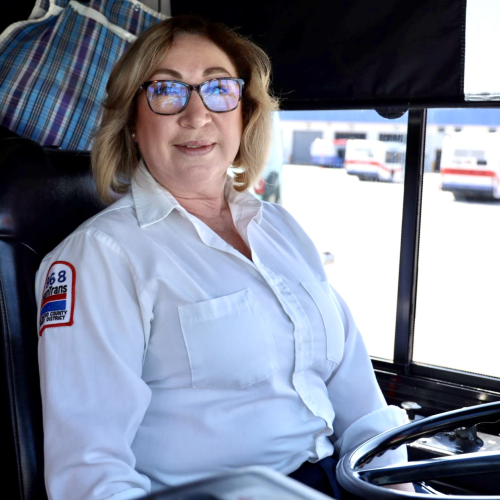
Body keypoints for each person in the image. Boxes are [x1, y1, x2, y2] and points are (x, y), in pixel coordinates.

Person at [35, 15, 412, 500]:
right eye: (167, 92)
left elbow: (361, 405)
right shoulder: (101, 258)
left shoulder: (283, 230)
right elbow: (90, 477)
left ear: (245, 113)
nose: (196, 116)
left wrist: (396, 488)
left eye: (217, 89)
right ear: (132, 120)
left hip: (343, 481)